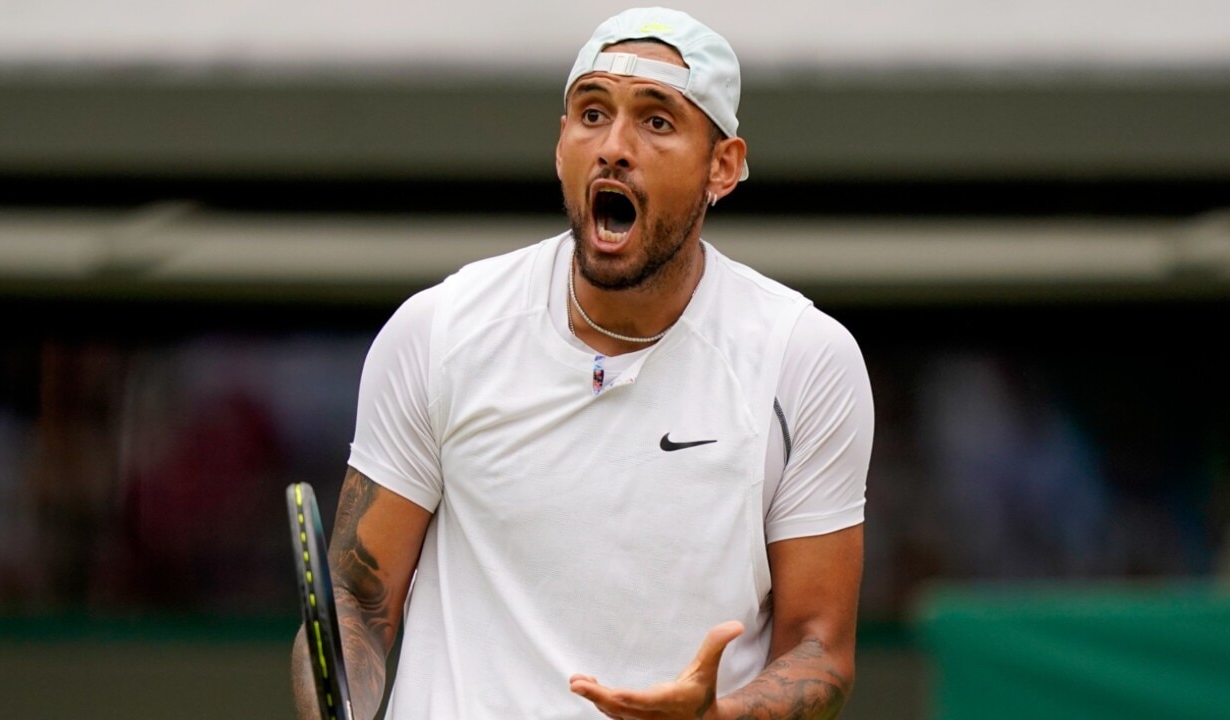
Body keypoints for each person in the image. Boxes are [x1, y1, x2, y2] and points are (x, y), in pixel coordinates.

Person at [292, 7, 873, 719]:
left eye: (657, 121)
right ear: (561, 146)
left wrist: (716, 719)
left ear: (722, 168)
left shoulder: (806, 361)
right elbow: (356, 600)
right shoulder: (438, 332)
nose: (614, 146)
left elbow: (819, 649)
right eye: (591, 114)